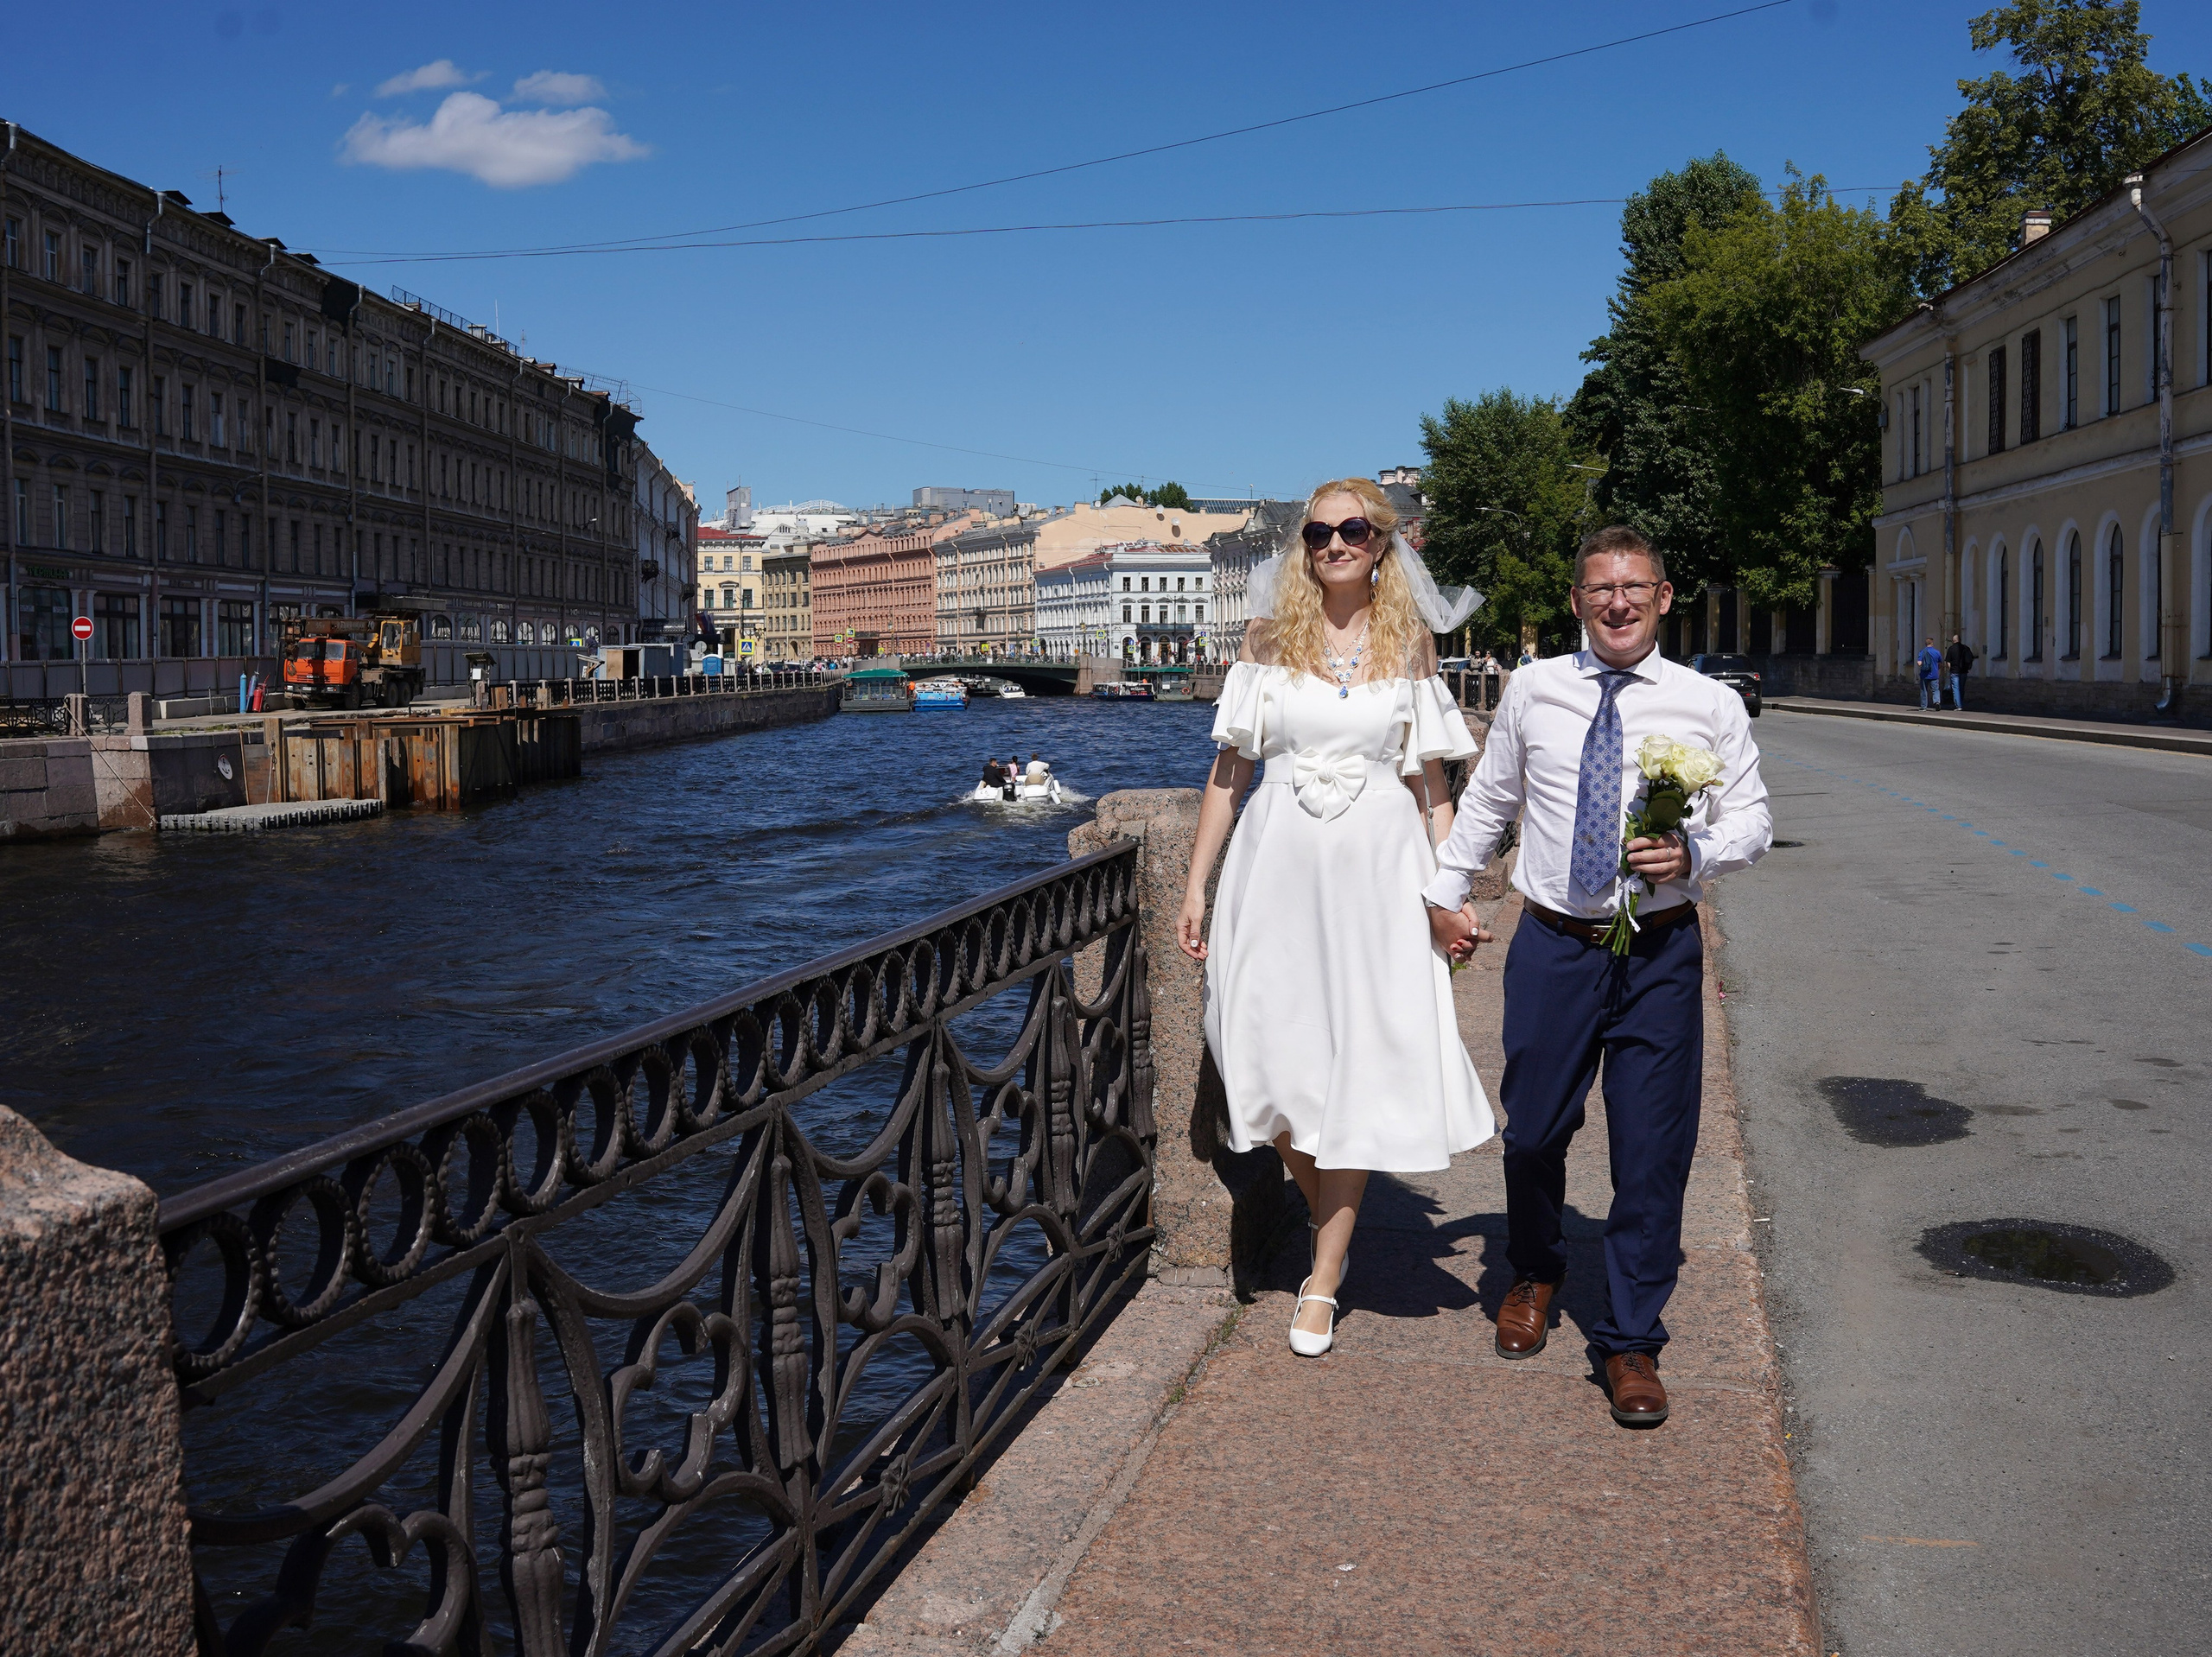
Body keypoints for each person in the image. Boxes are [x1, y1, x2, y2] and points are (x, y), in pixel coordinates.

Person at [1427, 525, 1771, 1428]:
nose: (1615, 602)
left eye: (1633, 587)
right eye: (1598, 589)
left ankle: (1628, 1339)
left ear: (1663, 598)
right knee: (1533, 1132)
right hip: (1552, 943)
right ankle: (1536, 1267)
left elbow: (1753, 821)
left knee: (1652, 1151)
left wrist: (1693, 850)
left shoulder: (1706, 704)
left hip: (1657, 948)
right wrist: (1443, 889)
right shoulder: (1534, 690)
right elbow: (1491, 803)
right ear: (1577, 600)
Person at [1177, 477, 1491, 1358]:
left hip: (1377, 883)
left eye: (1353, 530)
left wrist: (1450, 890)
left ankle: (1322, 1277)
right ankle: (1331, 1222)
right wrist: (1196, 883)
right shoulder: (1268, 641)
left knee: (1352, 1062)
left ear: (1382, 543)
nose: (1335, 544)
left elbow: (1432, 788)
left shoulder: (1412, 646)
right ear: (1303, 548)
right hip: (1274, 873)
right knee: (1259, 1064)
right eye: (1319, 533)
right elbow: (1229, 774)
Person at [1945, 632, 1974, 711]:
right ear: (1960, 640)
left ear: (1953, 641)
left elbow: (1948, 662)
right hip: (1964, 671)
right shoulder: (1966, 648)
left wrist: (1951, 669)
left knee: (1955, 688)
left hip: (1955, 672)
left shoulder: (1951, 649)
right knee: (1961, 688)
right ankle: (1961, 702)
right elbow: (1971, 658)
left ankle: (1958, 705)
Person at [1916, 636, 1943, 710]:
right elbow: (1940, 663)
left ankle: (1924, 707)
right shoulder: (1937, 652)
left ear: (1926, 644)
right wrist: (1937, 668)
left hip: (1924, 675)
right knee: (1935, 690)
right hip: (1934, 674)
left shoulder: (1922, 652)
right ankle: (1937, 702)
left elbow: (1919, 663)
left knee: (1924, 691)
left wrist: (1923, 665)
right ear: (1932, 643)